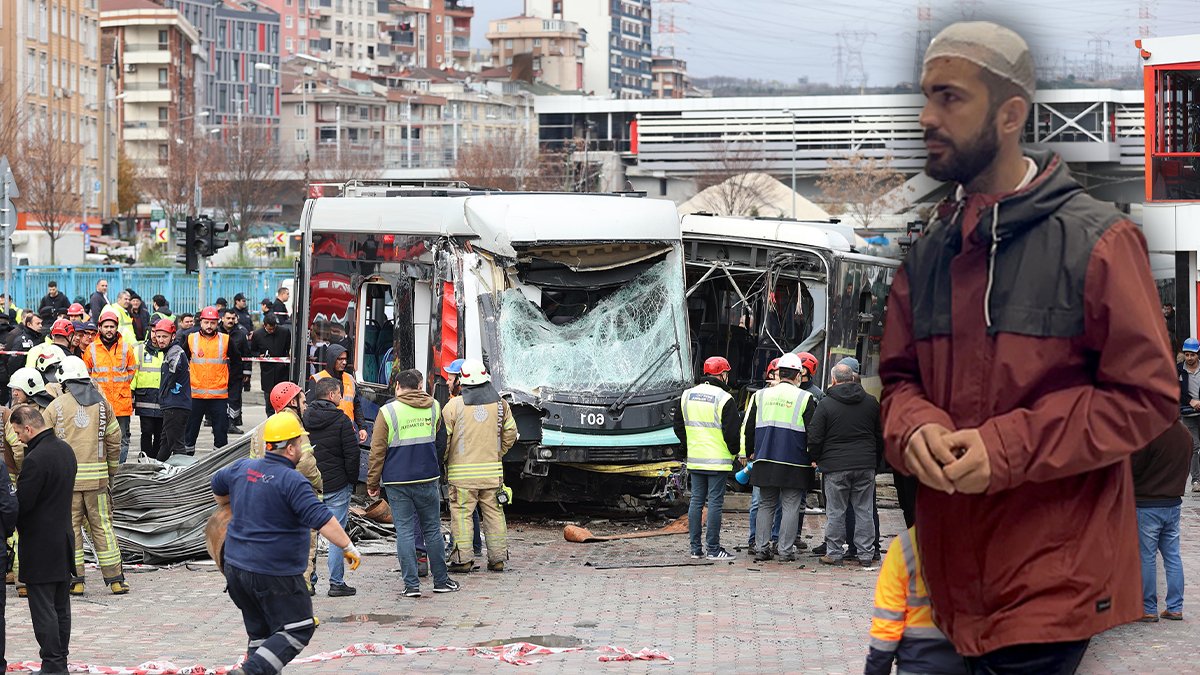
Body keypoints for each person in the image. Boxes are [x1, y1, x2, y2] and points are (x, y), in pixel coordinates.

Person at [880, 21, 1178, 670]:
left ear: (1011, 113)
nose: (927, 116)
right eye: (925, 95)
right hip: (944, 582)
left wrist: (1003, 447)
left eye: (950, 97)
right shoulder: (928, 251)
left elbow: (1147, 396)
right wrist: (916, 428)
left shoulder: (1098, 239)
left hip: (1050, 586)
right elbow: (898, 382)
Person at [211, 412, 360, 675]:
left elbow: (217, 484)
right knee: (299, 627)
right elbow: (323, 520)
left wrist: (227, 505)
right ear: (290, 448)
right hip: (274, 572)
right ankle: (248, 673)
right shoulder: (293, 481)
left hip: (236, 569)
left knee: (261, 635)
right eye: (300, 443)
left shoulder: (242, 468)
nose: (303, 447)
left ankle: (253, 668)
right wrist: (348, 546)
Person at [367, 369, 458, 597]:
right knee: (432, 531)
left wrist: (372, 482)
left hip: (397, 481)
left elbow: (377, 451)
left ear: (397, 385)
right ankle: (441, 581)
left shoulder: (387, 411)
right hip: (428, 478)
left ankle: (411, 586)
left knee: (405, 532)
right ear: (420, 386)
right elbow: (439, 440)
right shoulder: (435, 407)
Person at [44, 356, 127, 595]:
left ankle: (76, 580)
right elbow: (115, 441)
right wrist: (111, 472)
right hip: (98, 483)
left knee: (70, 529)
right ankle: (116, 580)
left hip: (66, 484)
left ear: (64, 381)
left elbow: (44, 443)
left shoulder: (56, 406)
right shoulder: (103, 405)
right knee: (102, 527)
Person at [12, 405, 75, 675]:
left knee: (43, 609)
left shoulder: (36, 459)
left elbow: (23, 505)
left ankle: (52, 664)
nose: (17, 438)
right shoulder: (65, 451)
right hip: (63, 540)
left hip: (40, 546)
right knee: (61, 606)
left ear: (29, 428)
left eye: (17, 432)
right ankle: (60, 660)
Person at [442, 359, 518, 572]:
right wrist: (497, 453)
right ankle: (498, 559)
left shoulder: (453, 406)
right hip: (492, 475)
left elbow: (443, 441)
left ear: (461, 380)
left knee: (463, 517)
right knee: (494, 515)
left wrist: (447, 460)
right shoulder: (501, 405)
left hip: (462, 477)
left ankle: (463, 560)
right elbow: (511, 433)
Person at [250, 382, 324, 594]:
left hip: (268, 497)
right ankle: (301, 591)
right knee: (303, 547)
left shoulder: (261, 428)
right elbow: (307, 464)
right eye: (302, 400)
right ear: (292, 402)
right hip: (296, 498)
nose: (306, 404)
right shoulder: (293, 425)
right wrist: (319, 482)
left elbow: (253, 463)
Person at [742, 352, 816, 562]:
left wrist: (750, 453)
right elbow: (813, 432)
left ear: (778, 373)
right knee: (791, 506)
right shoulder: (805, 397)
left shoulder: (760, 395)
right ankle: (785, 550)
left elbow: (748, 428)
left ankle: (761, 548)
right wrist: (813, 457)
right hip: (794, 461)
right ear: (798, 375)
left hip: (765, 458)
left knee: (765, 504)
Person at [865, 527, 965, 675]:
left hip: (918, 662)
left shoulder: (906, 545)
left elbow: (887, 622)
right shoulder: (993, 540)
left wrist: (876, 669)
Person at [809, 363, 881, 567]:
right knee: (864, 510)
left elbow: (815, 435)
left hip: (835, 466)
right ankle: (866, 554)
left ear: (833, 380)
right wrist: (875, 461)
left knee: (836, 511)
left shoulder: (826, 404)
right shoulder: (871, 402)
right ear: (853, 378)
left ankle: (833, 553)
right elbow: (880, 435)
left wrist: (815, 458)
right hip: (865, 464)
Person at [673, 356, 739, 561]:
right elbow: (732, 433)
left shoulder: (686, 395)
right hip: (718, 461)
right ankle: (713, 548)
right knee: (714, 504)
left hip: (695, 459)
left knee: (695, 502)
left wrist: (687, 447)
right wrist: (734, 452)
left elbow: (678, 427)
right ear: (723, 375)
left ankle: (695, 549)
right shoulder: (724, 399)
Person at [302, 377, 360, 596]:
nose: (340, 397)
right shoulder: (342, 421)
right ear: (331, 395)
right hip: (337, 485)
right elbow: (352, 454)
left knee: (310, 535)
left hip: (311, 486)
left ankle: (310, 581)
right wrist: (351, 481)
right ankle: (336, 582)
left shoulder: (304, 418)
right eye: (339, 393)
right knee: (336, 533)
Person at [1131, 421, 1192, 623]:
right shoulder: (1185, 434)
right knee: (1172, 555)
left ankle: (1148, 608)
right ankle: (1175, 607)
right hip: (1173, 502)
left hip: (1147, 503)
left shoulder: (1150, 432)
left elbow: (1134, 468)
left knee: (1146, 556)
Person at [183, 306, 240, 453]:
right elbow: (182, 362)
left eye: (213, 323)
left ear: (217, 323)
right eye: (206, 322)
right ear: (201, 322)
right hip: (196, 394)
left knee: (221, 432)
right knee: (190, 430)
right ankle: (186, 460)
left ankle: (219, 462)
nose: (209, 326)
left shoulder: (226, 340)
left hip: (218, 395)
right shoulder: (191, 339)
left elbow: (237, 363)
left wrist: (229, 382)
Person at [83, 310, 137, 464]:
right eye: (106, 326)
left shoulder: (126, 348)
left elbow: (132, 370)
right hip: (99, 403)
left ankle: (119, 469)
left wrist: (122, 385)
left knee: (122, 439)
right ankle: (103, 468)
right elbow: (86, 375)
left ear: (116, 328)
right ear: (100, 328)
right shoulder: (91, 349)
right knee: (99, 439)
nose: (109, 330)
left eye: (112, 326)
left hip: (121, 403)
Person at [747, 357, 783, 553]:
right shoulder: (760, 397)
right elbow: (749, 424)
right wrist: (747, 451)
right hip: (761, 454)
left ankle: (775, 539)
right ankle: (755, 539)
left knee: (776, 504)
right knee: (758, 502)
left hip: (775, 455)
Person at [307, 344, 367, 443]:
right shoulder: (317, 379)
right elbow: (311, 409)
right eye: (340, 359)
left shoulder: (350, 379)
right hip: (326, 434)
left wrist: (362, 427)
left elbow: (356, 405)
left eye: (345, 359)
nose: (344, 362)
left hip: (347, 432)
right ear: (332, 359)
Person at [132, 321, 171, 460]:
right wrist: (131, 395)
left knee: (160, 433)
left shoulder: (169, 351)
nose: (156, 336)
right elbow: (133, 373)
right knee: (146, 432)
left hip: (163, 398)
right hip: (145, 398)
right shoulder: (140, 349)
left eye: (160, 332)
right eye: (154, 332)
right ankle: (146, 459)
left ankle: (157, 461)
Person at [157, 320, 190, 461]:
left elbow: (174, 370)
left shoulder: (175, 352)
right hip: (173, 404)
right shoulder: (170, 352)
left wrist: (163, 393)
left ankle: (185, 477)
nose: (160, 340)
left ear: (173, 336)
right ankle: (157, 469)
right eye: (158, 336)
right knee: (166, 443)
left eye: (164, 336)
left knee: (177, 445)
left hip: (175, 404)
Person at [251, 314, 291, 417]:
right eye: (269, 329)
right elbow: (253, 350)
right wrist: (258, 355)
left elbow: (287, 348)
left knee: (283, 396)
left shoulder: (284, 332)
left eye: (274, 328)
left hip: (282, 370)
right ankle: (270, 417)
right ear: (264, 326)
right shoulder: (257, 334)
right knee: (269, 397)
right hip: (267, 371)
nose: (272, 331)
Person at [1, 312, 43, 406]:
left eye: (41, 323)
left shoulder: (39, 338)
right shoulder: (22, 340)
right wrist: (16, 377)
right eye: (37, 323)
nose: (40, 326)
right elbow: (13, 362)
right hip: (22, 382)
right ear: (29, 324)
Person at [221, 308, 251, 434]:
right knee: (220, 400)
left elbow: (246, 354)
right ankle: (220, 424)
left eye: (233, 318)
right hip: (218, 374)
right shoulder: (216, 333)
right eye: (228, 318)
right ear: (222, 318)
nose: (230, 321)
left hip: (235, 373)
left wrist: (246, 372)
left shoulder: (240, 334)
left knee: (234, 400)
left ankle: (232, 423)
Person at [1177, 338, 1200, 493]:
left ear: (1198, 354)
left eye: (1192, 354)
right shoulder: (1178, 370)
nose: (1189, 358)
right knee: (1195, 446)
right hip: (1188, 413)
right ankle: (1196, 480)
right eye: (1187, 354)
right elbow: (1175, 390)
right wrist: (1191, 401)